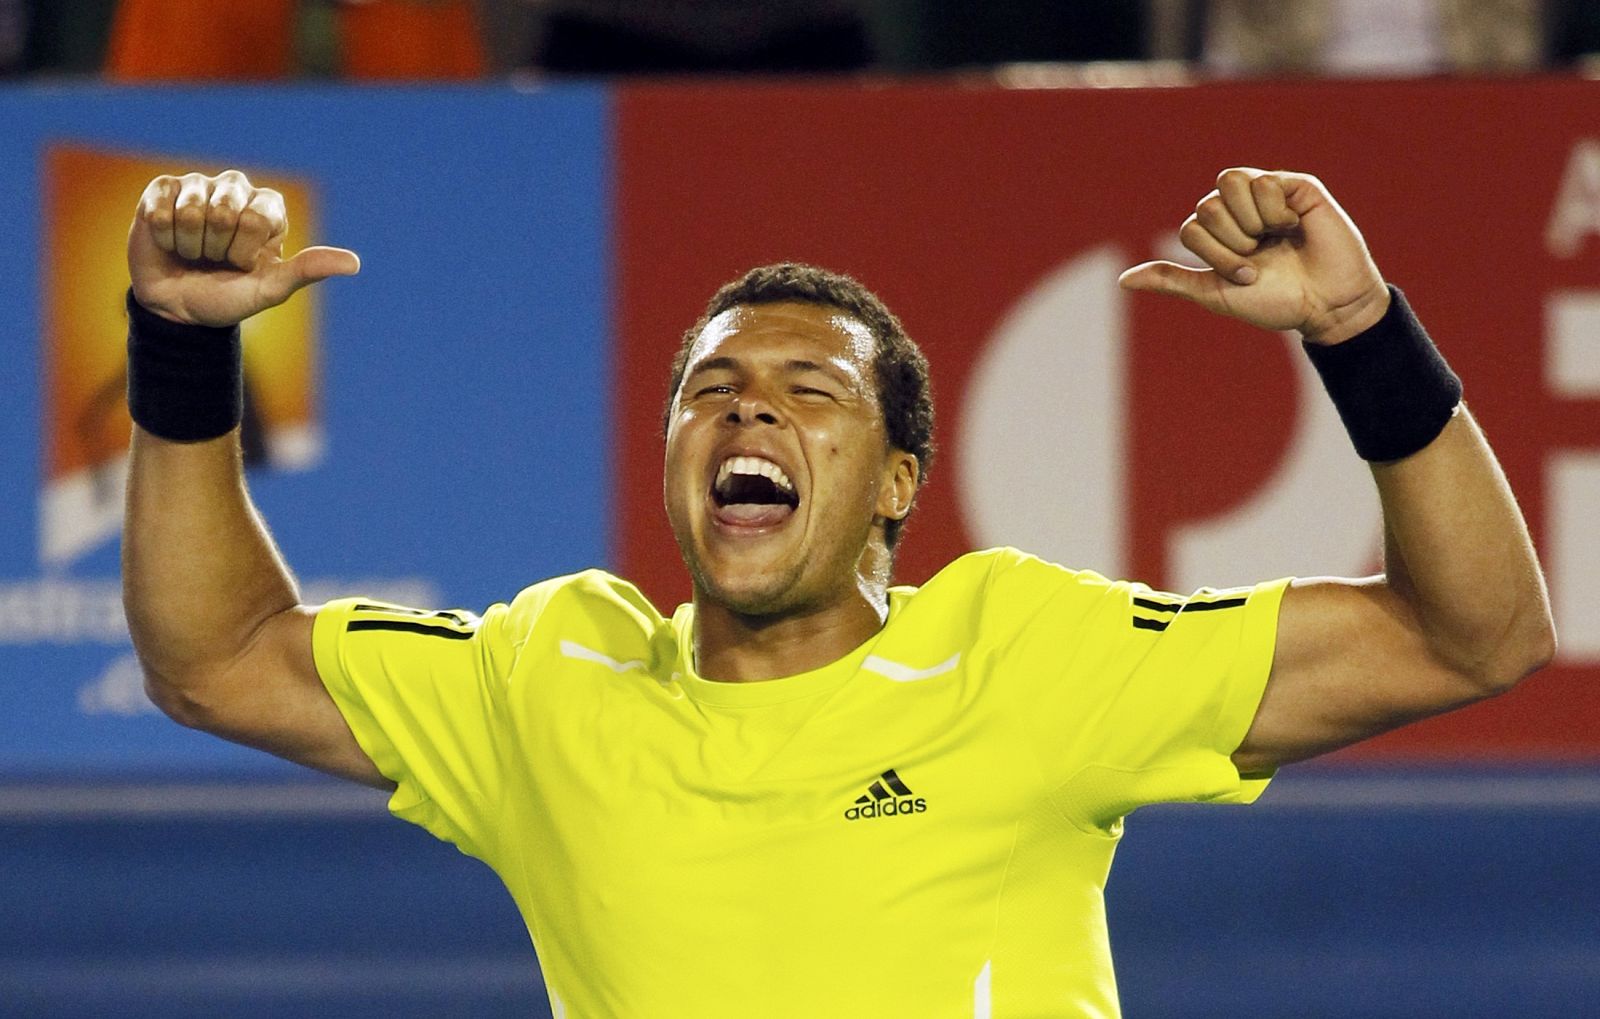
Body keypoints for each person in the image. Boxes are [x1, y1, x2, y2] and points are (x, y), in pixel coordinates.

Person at [121, 166, 1554, 1017]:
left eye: (812, 392)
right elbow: (216, 657)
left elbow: (1473, 637)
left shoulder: (1026, 653)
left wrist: (1359, 331)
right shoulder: (548, 679)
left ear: (894, 484)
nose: (750, 412)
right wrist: (181, 352)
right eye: (712, 392)